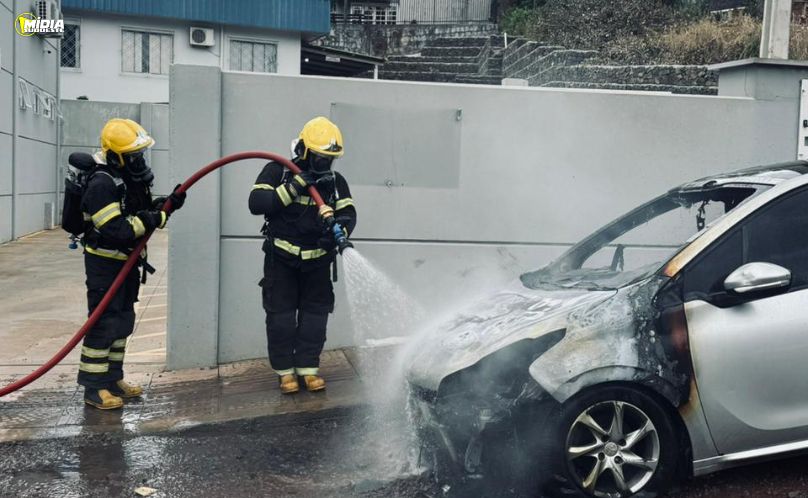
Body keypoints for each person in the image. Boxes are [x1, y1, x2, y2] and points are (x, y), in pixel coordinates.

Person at [78, 118, 185, 409]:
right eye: (133, 155)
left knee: (122, 322)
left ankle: (113, 379)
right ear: (115, 156)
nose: (139, 160)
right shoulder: (101, 183)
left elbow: (137, 212)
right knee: (103, 324)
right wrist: (153, 219)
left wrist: (165, 205)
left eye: (140, 154)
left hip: (126, 265)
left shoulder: (127, 179)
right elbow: (117, 229)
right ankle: (94, 388)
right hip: (105, 266)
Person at [249, 117, 357, 394]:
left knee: (315, 318)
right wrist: (294, 186)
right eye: (321, 157)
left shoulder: (334, 181)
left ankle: (308, 370)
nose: (326, 164)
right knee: (280, 319)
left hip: (318, 261)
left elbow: (348, 214)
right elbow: (257, 203)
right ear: (304, 151)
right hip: (281, 260)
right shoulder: (278, 172)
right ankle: (285, 373)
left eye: (330, 159)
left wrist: (337, 231)